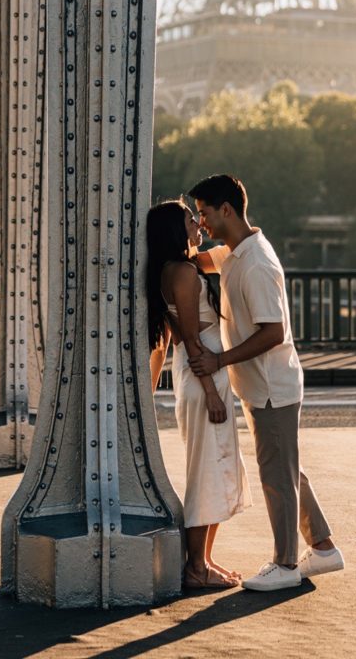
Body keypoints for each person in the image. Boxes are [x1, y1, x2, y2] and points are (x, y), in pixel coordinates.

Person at [188, 174, 344, 592]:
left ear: (226, 210)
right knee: (286, 469)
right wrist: (178, 239)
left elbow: (273, 332)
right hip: (262, 386)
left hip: (272, 386)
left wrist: (219, 359)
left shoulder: (255, 263)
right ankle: (324, 548)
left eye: (203, 214)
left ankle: (286, 563)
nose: (200, 223)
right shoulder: (235, 253)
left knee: (277, 476)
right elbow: (197, 260)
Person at [146, 199, 251, 590]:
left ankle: (203, 561)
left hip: (203, 374)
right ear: (177, 230)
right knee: (207, 470)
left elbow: (228, 251)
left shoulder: (178, 268)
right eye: (193, 220)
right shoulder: (184, 275)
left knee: (214, 466)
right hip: (203, 376)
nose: (199, 225)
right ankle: (195, 568)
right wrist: (211, 393)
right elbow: (190, 340)